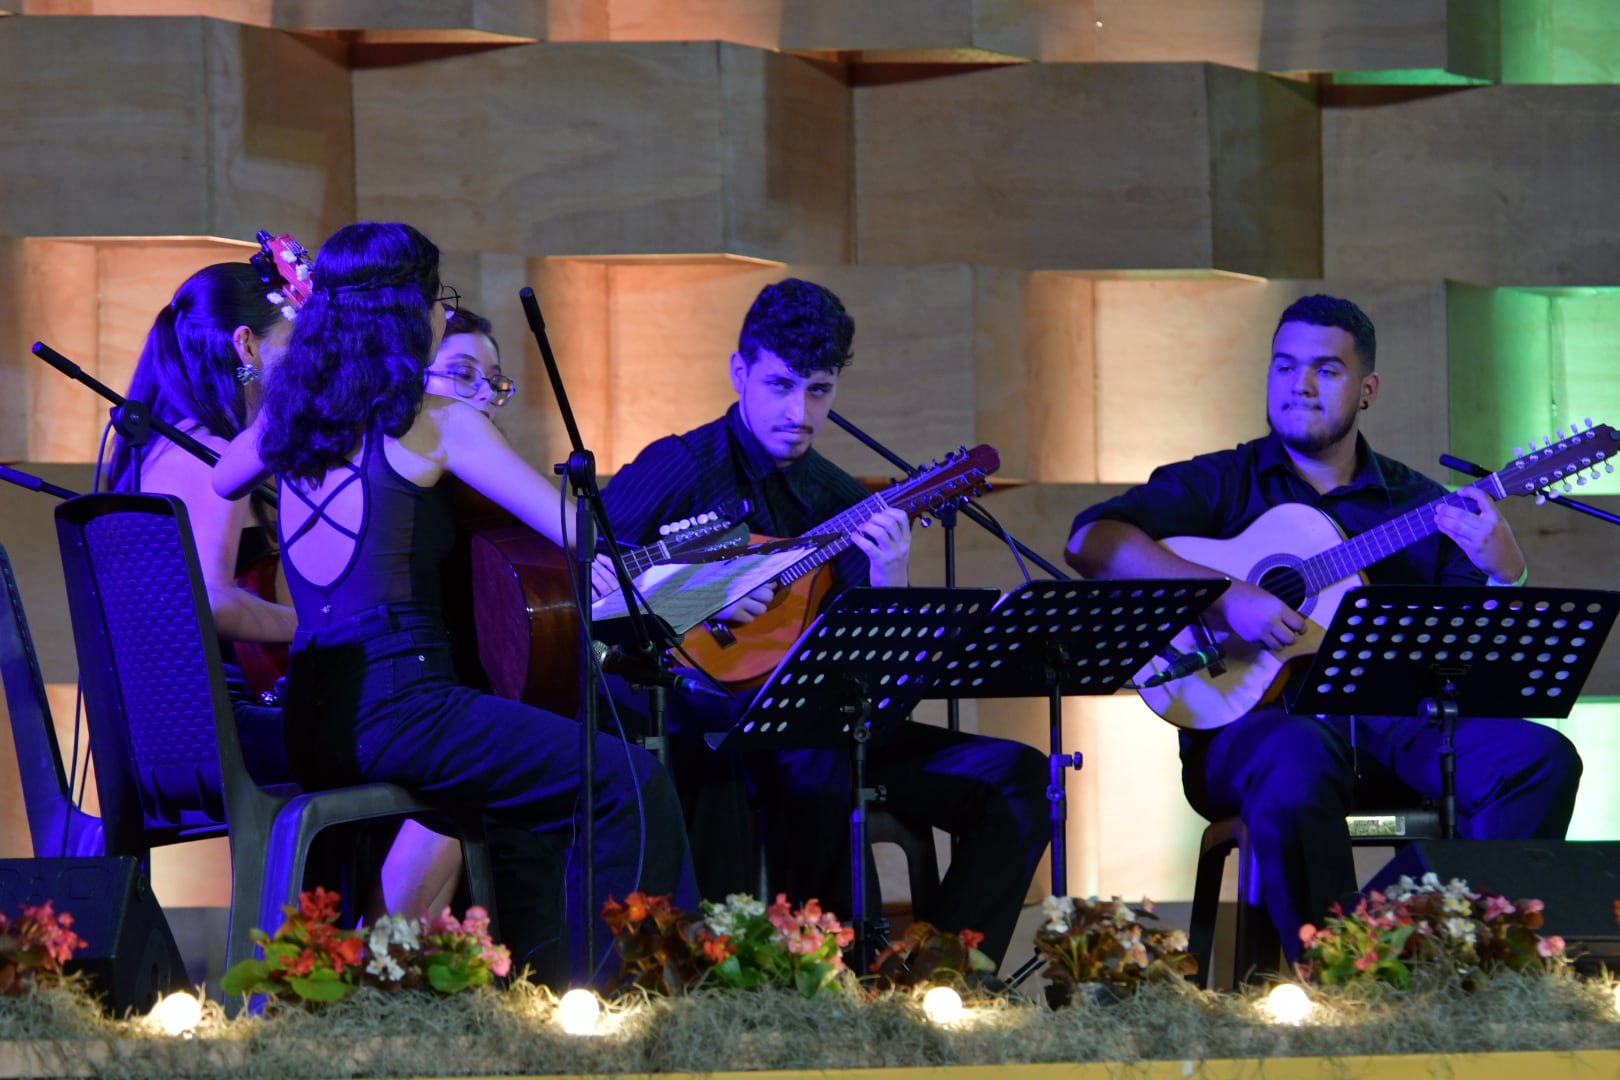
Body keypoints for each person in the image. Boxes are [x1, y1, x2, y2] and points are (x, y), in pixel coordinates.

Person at [213, 221, 698, 982]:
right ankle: (618, 1002)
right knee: (628, 783)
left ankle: (445, 973)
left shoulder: (292, 418)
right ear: (410, 310)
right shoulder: (439, 421)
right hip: (402, 708)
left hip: (313, 718)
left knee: (521, 789)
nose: (444, 310)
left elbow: (223, 477)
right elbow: (577, 533)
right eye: (437, 295)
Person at [1064, 293, 1583, 959]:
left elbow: (1477, 658)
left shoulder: (1421, 505)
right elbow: (1091, 541)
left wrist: (1504, 569)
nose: (1299, 385)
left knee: (1537, 760)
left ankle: (1446, 953)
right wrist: (1226, 597)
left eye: (1326, 370)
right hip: (1249, 732)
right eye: (1284, 366)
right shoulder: (1220, 482)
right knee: (1297, 755)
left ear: (1367, 390)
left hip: (1393, 732)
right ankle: (1339, 970)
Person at [599, 277, 1048, 967]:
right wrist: (695, 598)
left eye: (819, 390)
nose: (799, 412)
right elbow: (586, 586)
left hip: (821, 729)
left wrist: (890, 581)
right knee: (814, 757)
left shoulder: (842, 502)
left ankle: (937, 980)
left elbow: (877, 690)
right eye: (780, 385)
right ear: (739, 372)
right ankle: (816, 972)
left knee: (1018, 776)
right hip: (695, 726)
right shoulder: (681, 467)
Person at [109, 260, 298, 784]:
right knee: (419, 746)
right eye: (295, 343)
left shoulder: (171, 444)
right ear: (247, 346)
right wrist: (325, 628)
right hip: (222, 726)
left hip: (179, 731)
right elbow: (211, 603)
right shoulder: (211, 455)